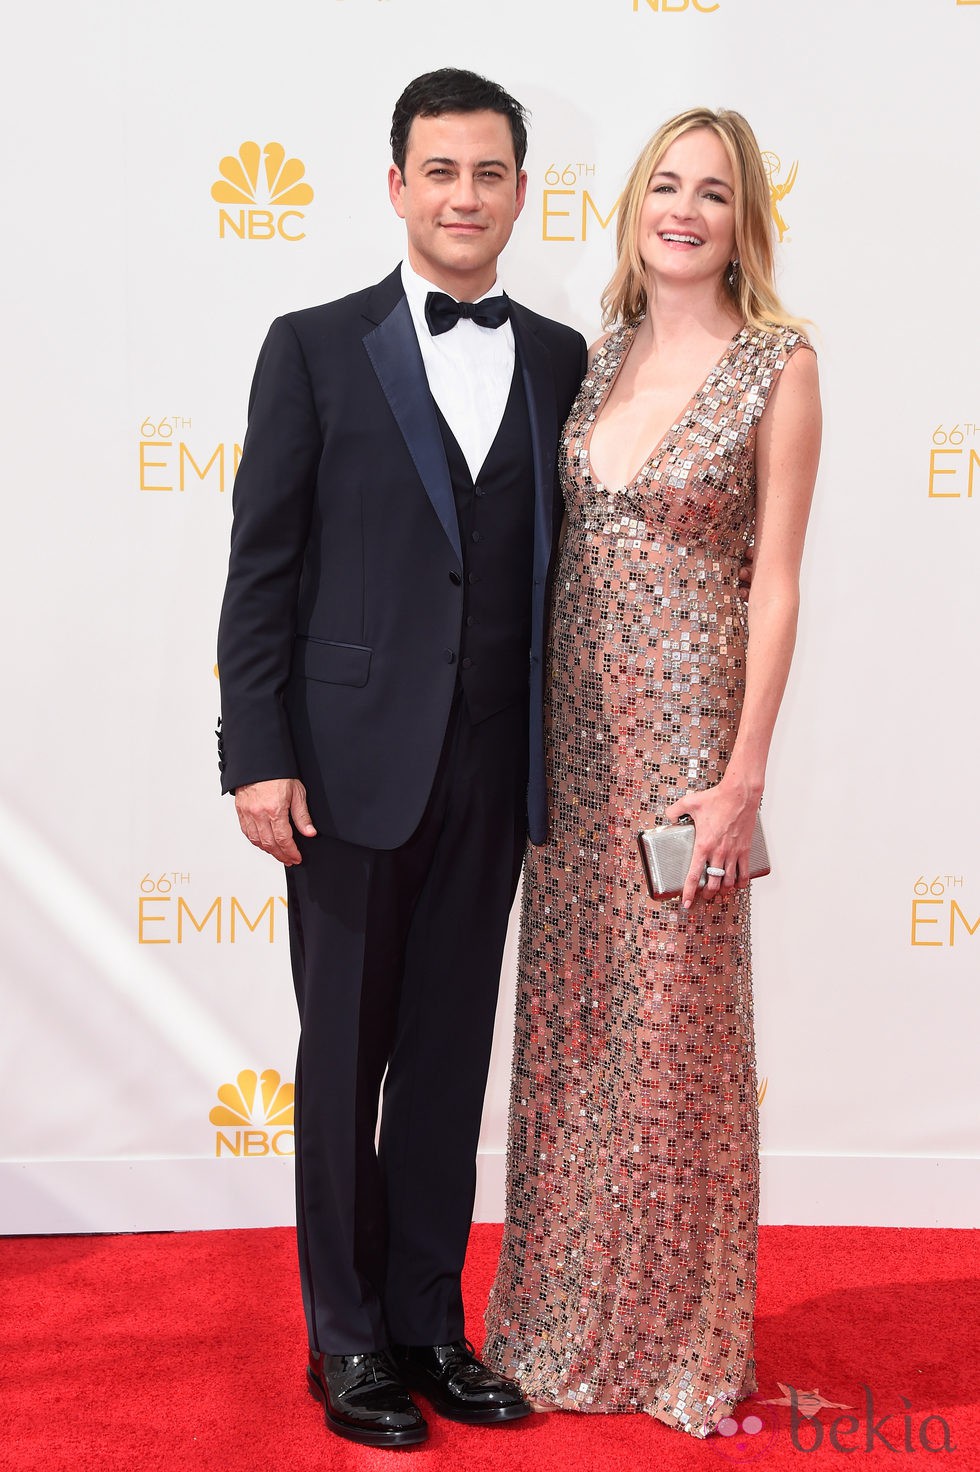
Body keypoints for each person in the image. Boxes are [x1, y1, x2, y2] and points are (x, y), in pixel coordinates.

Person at [215, 68, 586, 1449]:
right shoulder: (311, 345)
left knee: (444, 1059)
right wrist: (257, 754)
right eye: (440, 171)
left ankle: (432, 1321)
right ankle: (347, 1341)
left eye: (488, 173)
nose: (465, 196)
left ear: (519, 194)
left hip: (495, 774)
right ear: (396, 188)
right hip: (344, 771)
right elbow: (262, 571)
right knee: (343, 1064)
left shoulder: (557, 359)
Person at [483, 107, 821, 1437]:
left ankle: (682, 1345)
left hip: (685, 751)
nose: (685, 209)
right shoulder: (594, 357)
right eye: (666, 185)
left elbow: (779, 584)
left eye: (715, 193)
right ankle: (561, 1326)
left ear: (746, 224)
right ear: (634, 205)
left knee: (676, 1045)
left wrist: (744, 777)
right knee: (572, 1035)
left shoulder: (779, 364)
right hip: (568, 748)